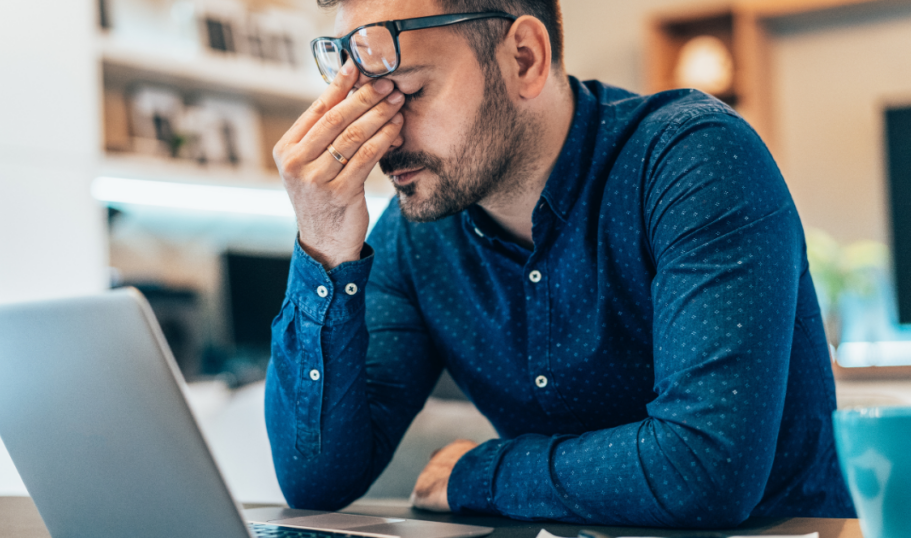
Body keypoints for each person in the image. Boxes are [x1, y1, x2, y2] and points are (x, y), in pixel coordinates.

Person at [265, 0, 856, 527]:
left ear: (524, 57)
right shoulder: (418, 238)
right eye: (367, 102)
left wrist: (485, 473)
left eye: (410, 93)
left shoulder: (695, 161)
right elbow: (317, 481)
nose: (385, 138)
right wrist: (324, 247)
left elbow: (703, 470)